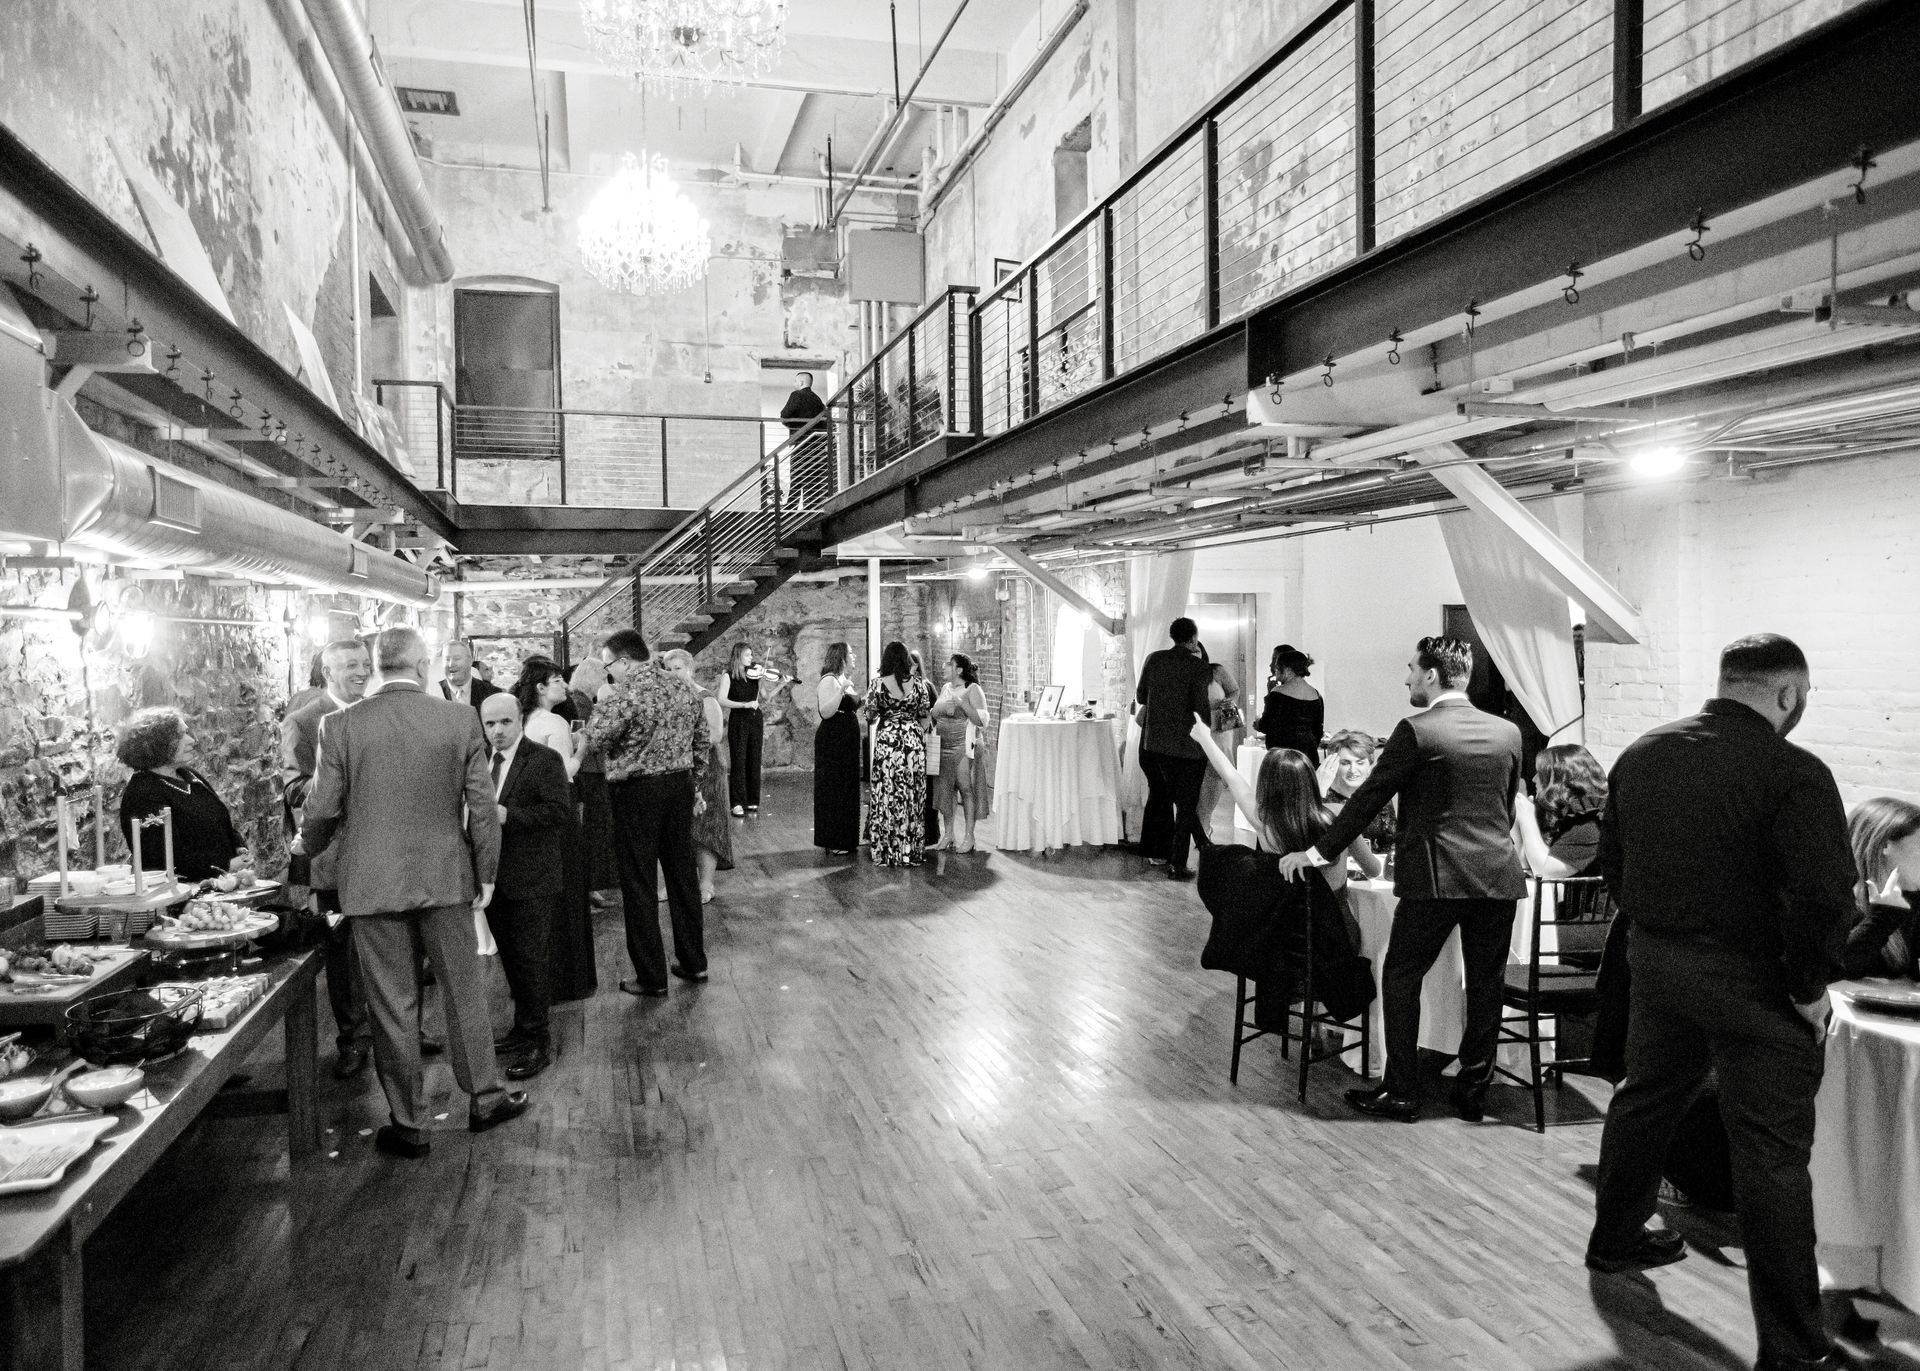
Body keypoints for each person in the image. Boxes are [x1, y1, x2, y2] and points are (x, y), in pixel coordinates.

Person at [1585, 634, 1857, 1371]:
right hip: (1756, 984)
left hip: (1661, 963)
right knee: (1770, 1158)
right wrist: (1807, 988)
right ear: (1786, 694)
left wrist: (1657, 928)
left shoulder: (1644, 752)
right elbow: (1825, 897)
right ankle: (1795, 1349)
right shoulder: (1793, 772)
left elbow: (1612, 864)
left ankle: (1613, 1239)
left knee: (1644, 1099)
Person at [296, 626, 528, 1159]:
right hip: (446, 878)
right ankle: (486, 1099)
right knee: (463, 991)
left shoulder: (340, 725)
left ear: (377, 667)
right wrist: (485, 873)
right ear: (421, 666)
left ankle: (410, 1124)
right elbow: (482, 807)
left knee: (392, 1005)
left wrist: (304, 850)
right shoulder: (458, 718)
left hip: (372, 885)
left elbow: (323, 808)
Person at [1277, 636, 1526, 1123]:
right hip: (1498, 875)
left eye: (1412, 669)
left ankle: (1402, 1090)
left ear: (1433, 675)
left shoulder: (1417, 731)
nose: (1407, 677)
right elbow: (1506, 808)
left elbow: (1368, 798)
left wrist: (1316, 850)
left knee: (1400, 974)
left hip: (1436, 877)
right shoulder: (1508, 733)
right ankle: (1474, 1091)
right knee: (1485, 983)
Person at [585, 628, 711, 995]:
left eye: (610, 666)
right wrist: (695, 783)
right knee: (682, 876)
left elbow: (595, 739)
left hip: (637, 792)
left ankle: (652, 977)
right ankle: (694, 963)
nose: (610, 674)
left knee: (639, 882)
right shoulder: (684, 687)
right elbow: (702, 740)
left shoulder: (627, 694)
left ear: (624, 661)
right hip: (679, 786)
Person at [281, 638, 374, 1079]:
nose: (362, 672)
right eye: (352, 665)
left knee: (388, 945)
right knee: (344, 953)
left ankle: (395, 1030)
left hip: (381, 850)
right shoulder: (304, 721)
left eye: (366, 664)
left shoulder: (376, 712)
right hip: (333, 856)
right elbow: (294, 789)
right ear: (328, 671)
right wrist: (345, 783)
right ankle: (353, 1038)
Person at [478, 693, 570, 1081]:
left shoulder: (543, 760)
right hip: (494, 879)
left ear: (519, 721)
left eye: (504, 723)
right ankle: (522, 1028)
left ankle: (538, 1042)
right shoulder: (480, 761)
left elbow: (558, 812)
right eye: (489, 724)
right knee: (512, 961)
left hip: (532, 877)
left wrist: (508, 816)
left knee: (532, 960)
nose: (497, 731)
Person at [1190, 720, 1380, 889]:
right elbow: (1373, 869)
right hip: (1333, 919)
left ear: (1265, 784)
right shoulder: (1337, 813)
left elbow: (1231, 775)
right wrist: (1318, 791)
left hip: (1288, 917)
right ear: (1309, 779)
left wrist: (1205, 739)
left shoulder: (1264, 821)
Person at [513, 660, 596, 1003]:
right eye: (557, 680)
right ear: (541, 688)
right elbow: (565, 773)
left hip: (528, 818)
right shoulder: (554, 722)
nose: (564, 685)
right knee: (568, 892)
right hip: (558, 815)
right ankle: (570, 977)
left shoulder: (523, 720)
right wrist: (584, 747)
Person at [116, 707, 243, 882]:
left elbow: (219, 820)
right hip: (181, 892)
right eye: (182, 736)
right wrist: (224, 865)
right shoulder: (143, 793)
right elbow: (161, 856)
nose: (192, 740)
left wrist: (238, 846)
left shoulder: (189, 776)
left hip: (217, 882)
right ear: (160, 744)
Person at [1134, 617, 1214, 880]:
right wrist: (1206, 740)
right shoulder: (1199, 667)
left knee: (1175, 798)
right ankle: (1178, 864)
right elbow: (1200, 708)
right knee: (1187, 802)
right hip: (1187, 745)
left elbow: (1141, 696)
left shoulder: (1154, 659)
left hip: (1156, 744)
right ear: (1193, 638)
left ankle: (1202, 844)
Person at [662, 650, 734, 904]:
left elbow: (715, 735)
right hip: (677, 766)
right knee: (678, 827)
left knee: (707, 825)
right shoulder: (666, 699)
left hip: (706, 767)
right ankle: (676, 882)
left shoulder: (705, 698)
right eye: (669, 669)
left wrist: (681, 738)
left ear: (690, 669)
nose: (673, 674)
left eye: (678, 668)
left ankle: (705, 884)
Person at [867, 641, 932, 867]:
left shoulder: (877, 685)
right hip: (912, 743)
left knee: (887, 792)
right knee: (912, 793)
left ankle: (887, 850)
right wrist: (911, 728)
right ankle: (911, 850)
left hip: (888, 743)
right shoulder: (919, 685)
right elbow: (924, 714)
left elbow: (870, 716)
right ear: (906, 660)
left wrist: (888, 715)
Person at [1844, 797, 1920, 979]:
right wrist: (1884, 919)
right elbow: (1833, 969)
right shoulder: (1836, 901)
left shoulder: (1915, 902)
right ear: (1885, 844)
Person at [1512, 743, 1608, 879]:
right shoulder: (1558, 814)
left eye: (1540, 774)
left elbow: (1544, 872)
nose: (1533, 779)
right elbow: (1525, 864)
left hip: (1581, 900)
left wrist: (1528, 819)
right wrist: (1519, 820)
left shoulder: (1589, 822)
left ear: (1559, 779)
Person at [568, 657, 617, 906]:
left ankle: (593, 887)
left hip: (591, 770)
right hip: (588, 771)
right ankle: (590, 888)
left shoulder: (583, 700)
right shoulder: (580, 702)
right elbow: (590, 736)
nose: (605, 681)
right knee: (593, 829)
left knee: (596, 829)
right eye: (602, 676)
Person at [929, 654, 989, 853]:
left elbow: (982, 720)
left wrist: (962, 704)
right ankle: (948, 834)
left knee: (966, 788)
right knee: (946, 790)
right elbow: (933, 713)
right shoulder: (946, 688)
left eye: (949, 664)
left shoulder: (973, 689)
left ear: (959, 670)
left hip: (964, 745)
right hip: (944, 745)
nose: (945, 667)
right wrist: (942, 706)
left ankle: (969, 836)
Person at [813, 642, 863, 857]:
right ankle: (834, 838)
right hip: (833, 741)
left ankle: (847, 837)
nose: (854, 656)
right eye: (850, 653)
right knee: (835, 788)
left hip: (846, 740)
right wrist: (841, 690)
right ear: (841, 657)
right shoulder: (829, 680)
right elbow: (826, 711)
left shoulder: (843, 680)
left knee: (847, 787)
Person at [1316, 728, 1396, 853]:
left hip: (1371, 867)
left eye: (1360, 763)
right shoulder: (1321, 796)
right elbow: (1314, 839)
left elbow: (1390, 844)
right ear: (1333, 764)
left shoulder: (1378, 796)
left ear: (1369, 766)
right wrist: (1320, 793)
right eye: (1345, 763)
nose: (1353, 770)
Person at [1195, 646, 1243, 840]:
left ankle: (1205, 823)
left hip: (1219, 729)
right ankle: (1199, 825)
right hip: (1195, 729)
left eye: (1197, 652)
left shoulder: (1216, 671)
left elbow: (1234, 690)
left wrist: (1226, 709)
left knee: (1214, 775)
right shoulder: (1182, 674)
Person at [720, 643, 775, 816]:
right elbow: (721, 700)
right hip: (739, 720)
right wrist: (744, 704)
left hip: (755, 720)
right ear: (738, 656)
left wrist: (781, 684)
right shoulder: (728, 676)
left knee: (754, 759)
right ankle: (736, 802)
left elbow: (766, 698)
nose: (751, 658)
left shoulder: (755, 676)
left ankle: (752, 800)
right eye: (748, 655)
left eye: (751, 655)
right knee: (739, 760)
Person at [1256, 645, 1324, 761]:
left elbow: (1266, 725)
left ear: (1287, 669)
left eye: (1277, 666)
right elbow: (1318, 729)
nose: (1274, 669)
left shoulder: (1278, 693)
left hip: (1283, 752)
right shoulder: (1315, 693)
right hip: (1308, 752)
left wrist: (1257, 724)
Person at [780, 371, 830, 506]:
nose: (794, 384)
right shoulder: (817, 400)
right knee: (813, 477)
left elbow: (785, 414)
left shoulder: (796, 395)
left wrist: (792, 425)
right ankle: (812, 507)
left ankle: (791, 508)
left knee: (797, 476)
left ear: (801, 382)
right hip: (816, 445)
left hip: (801, 442)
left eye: (795, 381)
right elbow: (825, 422)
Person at [438, 638, 500, 712]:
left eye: (457, 659)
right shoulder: (433, 693)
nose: (451, 664)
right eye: (447, 659)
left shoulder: (492, 694)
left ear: (470, 661)